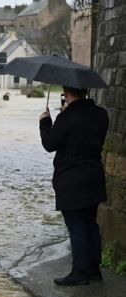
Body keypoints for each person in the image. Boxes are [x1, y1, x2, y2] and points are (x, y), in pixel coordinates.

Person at [39, 86, 109, 286]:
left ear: (66, 93)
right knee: (90, 223)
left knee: (77, 225)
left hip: (72, 180)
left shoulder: (66, 118)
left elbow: (49, 144)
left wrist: (45, 122)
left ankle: (79, 272)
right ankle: (94, 270)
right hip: (94, 176)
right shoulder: (101, 114)